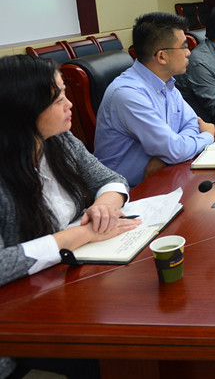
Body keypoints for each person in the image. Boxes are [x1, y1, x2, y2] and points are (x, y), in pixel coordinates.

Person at [0, 55, 140, 290]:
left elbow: (110, 179)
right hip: (26, 292)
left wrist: (105, 206)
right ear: (24, 111)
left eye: (65, 93)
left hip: (71, 273)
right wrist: (82, 234)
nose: (69, 104)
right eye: (58, 100)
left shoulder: (59, 139)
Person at [94, 12, 215, 186]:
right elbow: (177, 148)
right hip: (128, 191)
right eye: (184, 47)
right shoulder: (128, 94)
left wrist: (166, 156)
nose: (189, 53)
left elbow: (192, 124)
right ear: (162, 56)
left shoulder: (167, 82)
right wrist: (207, 135)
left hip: (165, 175)